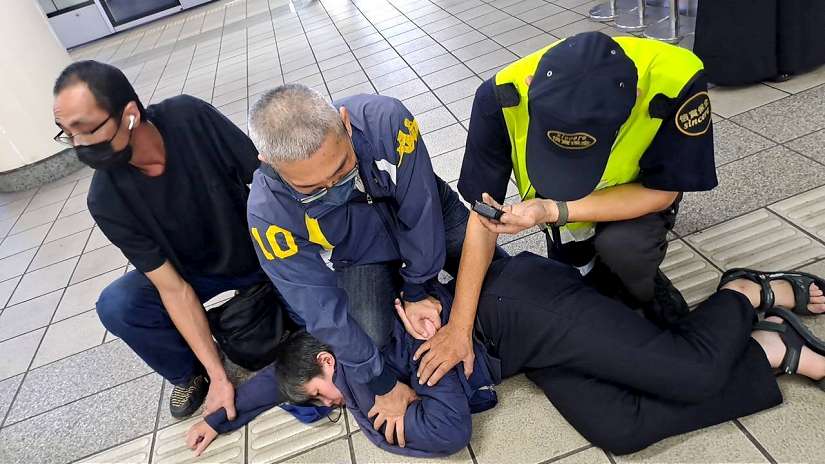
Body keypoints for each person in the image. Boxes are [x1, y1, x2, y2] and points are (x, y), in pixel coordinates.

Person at [185, 252, 825, 456]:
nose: (341, 408)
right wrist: (220, 415)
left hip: (519, 306)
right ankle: (775, 349)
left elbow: (446, 430)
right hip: (521, 347)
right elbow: (276, 381)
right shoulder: (332, 361)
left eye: (329, 395)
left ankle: (744, 291)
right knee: (619, 431)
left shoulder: (373, 353)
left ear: (328, 361)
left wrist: (373, 402)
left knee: (686, 370)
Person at [416, 31, 720, 388]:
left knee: (625, 252)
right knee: (571, 284)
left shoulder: (676, 80)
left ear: (633, 101)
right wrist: (459, 327)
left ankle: (643, 287)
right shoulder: (500, 98)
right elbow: (483, 217)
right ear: (531, 87)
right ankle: (592, 266)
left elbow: (664, 192)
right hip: (559, 217)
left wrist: (552, 209)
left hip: (634, 203)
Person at [243, 84, 500, 445]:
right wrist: (381, 384)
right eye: (313, 188)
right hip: (360, 256)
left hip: (429, 214)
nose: (335, 187)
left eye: (342, 168)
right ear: (270, 164)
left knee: (496, 277)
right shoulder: (269, 215)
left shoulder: (388, 123)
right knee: (369, 337)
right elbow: (318, 308)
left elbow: (422, 213)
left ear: (345, 124)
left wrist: (417, 289)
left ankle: (431, 300)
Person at [52, 61, 270, 419]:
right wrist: (219, 376)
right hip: (192, 275)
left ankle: (269, 300)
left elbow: (264, 178)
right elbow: (172, 289)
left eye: (85, 129)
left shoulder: (188, 117)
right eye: (66, 133)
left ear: (131, 115)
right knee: (118, 305)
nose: (78, 145)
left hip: (257, 247)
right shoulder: (106, 199)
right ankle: (190, 373)